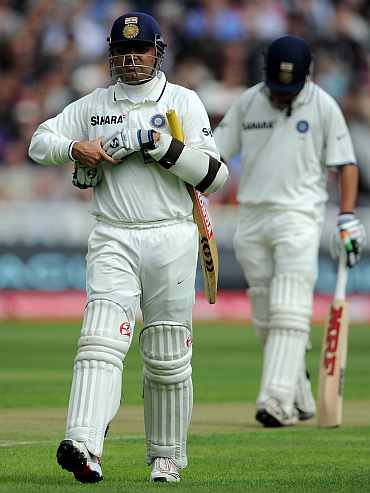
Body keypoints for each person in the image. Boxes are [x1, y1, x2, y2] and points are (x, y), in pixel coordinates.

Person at [29, 11, 228, 483]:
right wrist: (75, 149)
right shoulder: (94, 104)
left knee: (165, 355)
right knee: (99, 339)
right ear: (110, 54)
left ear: (157, 51)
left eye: (139, 50)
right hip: (113, 233)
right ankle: (83, 444)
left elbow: (216, 176)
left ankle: (166, 456)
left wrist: (162, 146)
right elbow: (40, 141)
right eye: (121, 50)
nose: (130, 58)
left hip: (172, 233)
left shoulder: (183, 101)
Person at [214, 35, 366, 427]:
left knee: (289, 308)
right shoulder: (249, 102)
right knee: (266, 315)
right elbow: (214, 153)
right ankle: (301, 396)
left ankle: (275, 401)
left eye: (290, 89)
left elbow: (346, 164)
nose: (283, 97)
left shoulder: (322, 105)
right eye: (278, 89)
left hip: (299, 216)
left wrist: (347, 216)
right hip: (252, 218)